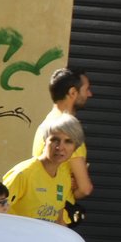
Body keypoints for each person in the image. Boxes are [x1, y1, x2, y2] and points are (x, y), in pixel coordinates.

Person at [4, 115, 83, 224]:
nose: (60, 147)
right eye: (55, 140)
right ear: (45, 141)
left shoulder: (64, 177)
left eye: (68, 141)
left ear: (75, 148)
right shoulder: (23, 173)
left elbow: (58, 220)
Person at [36, 66, 94, 200]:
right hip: (57, 212)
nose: (90, 94)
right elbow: (85, 188)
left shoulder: (48, 123)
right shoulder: (67, 130)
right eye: (86, 89)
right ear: (73, 92)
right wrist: (69, 196)